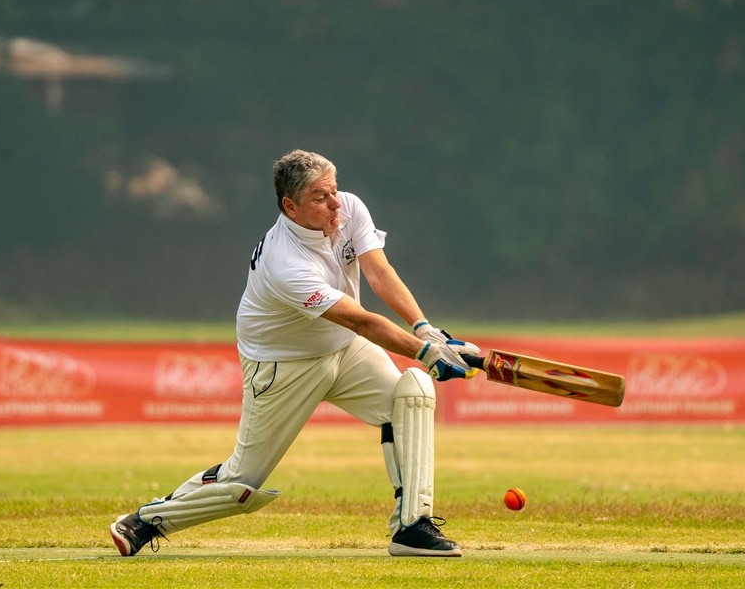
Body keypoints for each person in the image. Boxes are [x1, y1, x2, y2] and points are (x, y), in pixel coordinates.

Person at [109, 149, 480, 558]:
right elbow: (360, 320)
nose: (336, 203)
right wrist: (426, 352)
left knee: (411, 395)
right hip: (282, 366)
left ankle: (412, 527)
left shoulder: (349, 208)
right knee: (241, 485)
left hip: (343, 348)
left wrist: (425, 329)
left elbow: (379, 272)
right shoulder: (284, 261)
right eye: (321, 197)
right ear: (291, 206)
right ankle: (146, 521)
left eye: (335, 191)